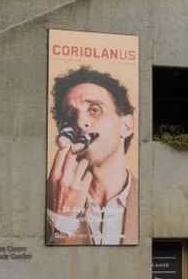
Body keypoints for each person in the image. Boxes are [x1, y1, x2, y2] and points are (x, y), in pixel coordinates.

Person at [46, 66, 139, 245]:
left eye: (94, 109)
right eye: (70, 116)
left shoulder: (150, 199)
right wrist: (61, 218)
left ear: (126, 126)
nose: (80, 122)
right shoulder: (43, 200)